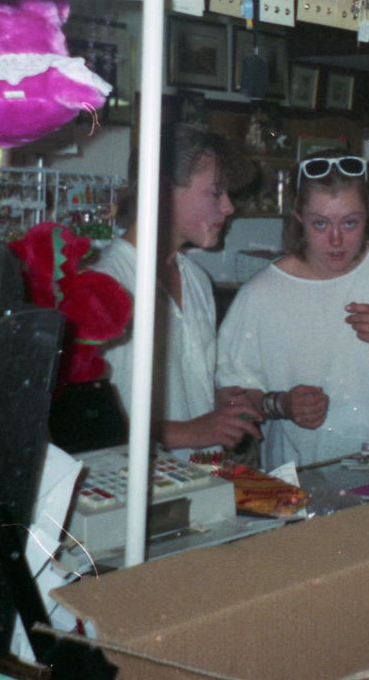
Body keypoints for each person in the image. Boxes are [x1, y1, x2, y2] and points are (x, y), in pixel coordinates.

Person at [217, 152, 369, 467]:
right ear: (298, 213)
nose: (336, 240)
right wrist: (280, 404)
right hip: (295, 485)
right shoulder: (260, 294)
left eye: (350, 223)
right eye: (320, 223)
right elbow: (229, 398)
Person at [93, 124, 268, 451]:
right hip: (141, 493)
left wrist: (214, 402)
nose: (229, 206)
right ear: (162, 192)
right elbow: (90, 421)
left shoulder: (197, 279)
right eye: (216, 192)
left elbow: (176, 390)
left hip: (204, 479)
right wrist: (190, 432)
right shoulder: (106, 284)